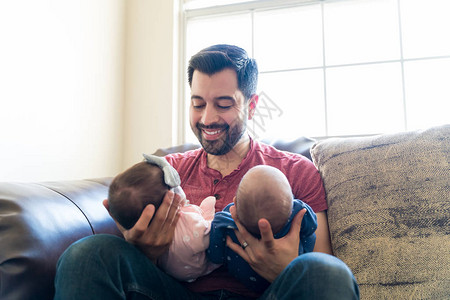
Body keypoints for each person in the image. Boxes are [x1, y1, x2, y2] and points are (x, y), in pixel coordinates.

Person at [54, 44, 360, 299]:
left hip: (268, 295)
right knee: (89, 255)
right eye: (198, 104)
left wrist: (285, 266)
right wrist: (143, 250)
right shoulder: (166, 173)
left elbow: (322, 261)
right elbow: (131, 256)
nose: (207, 118)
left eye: (223, 105)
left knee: (326, 272)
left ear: (251, 106)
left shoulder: (295, 172)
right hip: (176, 293)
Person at [107, 154, 220, 282]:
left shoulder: (159, 172)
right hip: (170, 286)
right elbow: (212, 234)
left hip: (238, 289)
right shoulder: (165, 168)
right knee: (93, 248)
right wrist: (139, 252)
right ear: (171, 196)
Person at [207, 165, 317, 293]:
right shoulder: (298, 211)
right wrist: (299, 205)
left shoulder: (224, 223)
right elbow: (312, 225)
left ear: (235, 204)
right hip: (279, 290)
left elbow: (215, 257)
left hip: (245, 282)